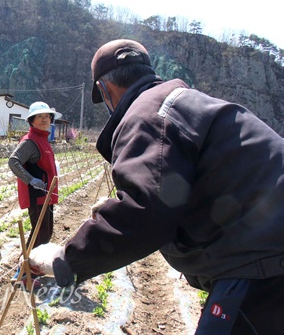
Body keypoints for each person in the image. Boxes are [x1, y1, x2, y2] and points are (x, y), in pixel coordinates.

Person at [37, 39, 284, 334]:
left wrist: (66, 259)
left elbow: (145, 210)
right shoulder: (183, 102)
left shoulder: (149, 114)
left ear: (106, 90)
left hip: (262, 258)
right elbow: (170, 195)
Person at [8, 101, 60, 287]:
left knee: (45, 234)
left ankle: (32, 269)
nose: (45, 119)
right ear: (32, 120)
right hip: (36, 195)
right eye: (40, 116)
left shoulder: (43, 140)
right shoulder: (30, 141)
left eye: (47, 116)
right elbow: (14, 161)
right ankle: (22, 274)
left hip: (46, 195)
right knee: (39, 234)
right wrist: (31, 179)